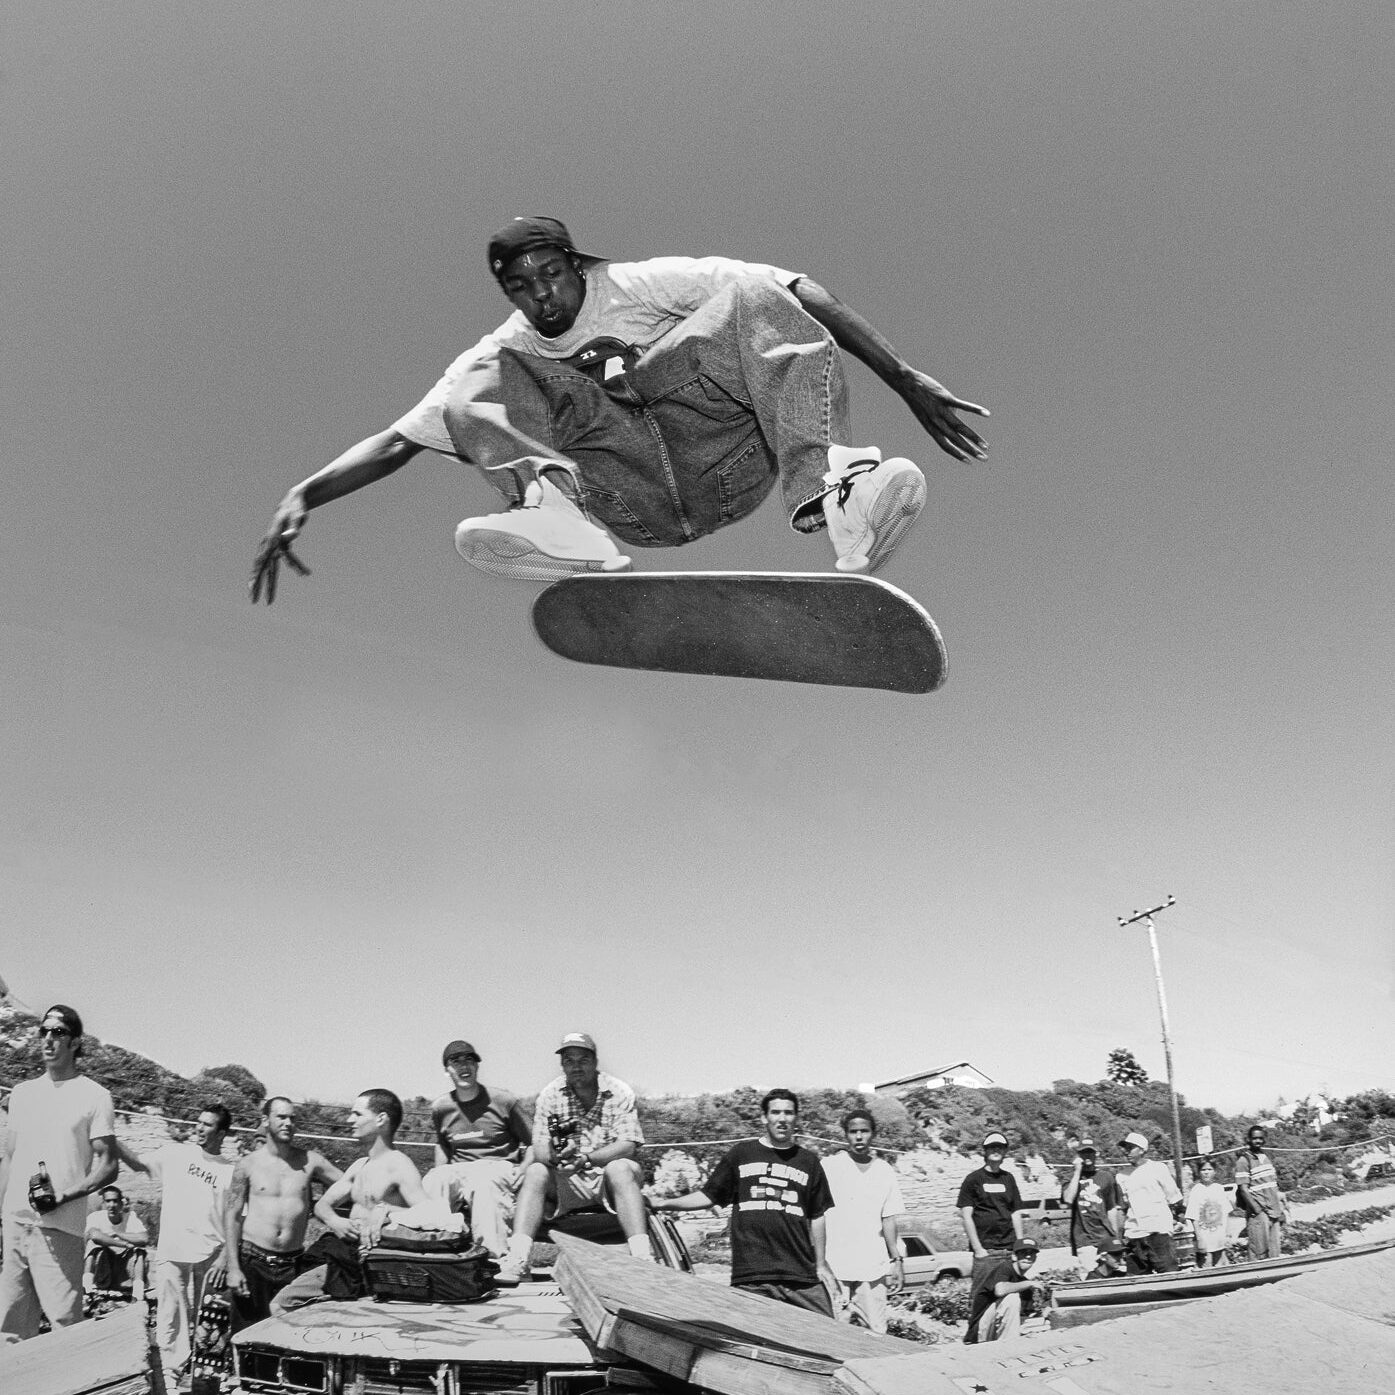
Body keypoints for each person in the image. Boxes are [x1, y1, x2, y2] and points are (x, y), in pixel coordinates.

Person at [251, 215, 989, 601]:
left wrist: (902, 378)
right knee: (474, 380)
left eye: (551, 274)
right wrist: (304, 492)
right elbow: (397, 442)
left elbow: (799, 290)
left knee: (755, 294)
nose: (541, 296)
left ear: (575, 264)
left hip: (723, 463)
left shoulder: (642, 284)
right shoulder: (510, 347)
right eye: (521, 287)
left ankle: (835, 493)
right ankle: (555, 519)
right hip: (626, 496)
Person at [652, 1088, 839, 1316]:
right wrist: (662, 1204)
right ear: (764, 1117)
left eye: (788, 1113)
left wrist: (820, 1265)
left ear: (796, 1118)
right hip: (752, 1276)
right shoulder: (741, 1154)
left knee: (827, 1331)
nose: (782, 1119)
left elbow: (817, 1216)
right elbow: (709, 1196)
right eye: (775, 1112)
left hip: (800, 1274)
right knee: (746, 1335)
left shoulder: (808, 1162)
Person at [0, 1004, 118, 1342]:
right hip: (16, 1224)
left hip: (60, 1227)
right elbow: (9, 1157)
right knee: (9, 1332)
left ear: (75, 1042)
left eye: (58, 1032)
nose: (48, 1039)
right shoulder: (22, 1094)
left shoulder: (95, 1096)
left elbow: (109, 1165)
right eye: (44, 1031)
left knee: (65, 1330)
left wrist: (64, 1196)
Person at [497, 1034, 650, 1285]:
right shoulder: (550, 1095)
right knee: (535, 1171)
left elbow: (628, 1144)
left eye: (583, 1060)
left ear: (595, 1062)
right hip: (565, 1180)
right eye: (569, 1060)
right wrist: (556, 1155)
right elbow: (539, 1147)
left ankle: (643, 1257)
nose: (576, 1066)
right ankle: (519, 1259)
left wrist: (586, 1158)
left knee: (622, 1168)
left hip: (607, 1181)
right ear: (562, 1065)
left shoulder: (619, 1091)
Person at [274, 1090, 436, 1312]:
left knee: (281, 1305)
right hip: (341, 1253)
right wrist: (336, 1221)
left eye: (358, 1114)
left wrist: (388, 1211)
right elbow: (322, 1205)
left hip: (370, 1259)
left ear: (381, 1119)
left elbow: (429, 1215)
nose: (350, 1120)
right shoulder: (359, 1166)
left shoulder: (399, 1165)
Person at [115, 1105, 234, 1384]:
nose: (199, 1128)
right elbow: (137, 1163)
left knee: (211, 1319)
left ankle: (206, 1380)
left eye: (208, 1125)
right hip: (173, 1247)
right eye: (199, 1122)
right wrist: (110, 1138)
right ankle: (170, 1374)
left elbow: (235, 1219)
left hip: (211, 1252)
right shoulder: (176, 1153)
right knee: (170, 1314)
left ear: (222, 1133)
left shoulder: (230, 1171)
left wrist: (226, 1256)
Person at [222, 1097, 342, 1326]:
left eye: (292, 1118)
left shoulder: (311, 1161)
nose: (288, 1123)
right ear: (266, 1120)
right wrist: (233, 1268)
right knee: (244, 1335)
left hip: (292, 1265)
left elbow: (349, 1185)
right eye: (281, 1117)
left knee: (287, 1334)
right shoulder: (247, 1164)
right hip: (253, 1262)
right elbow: (232, 1217)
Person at [421, 1040, 531, 1259]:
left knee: (483, 1183)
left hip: (497, 1166)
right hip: (459, 1168)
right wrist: (439, 1170)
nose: (464, 1066)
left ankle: (493, 1258)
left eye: (469, 1060)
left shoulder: (503, 1100)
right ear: (447, 1070)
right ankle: (432, 1254)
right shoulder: (441, 1107)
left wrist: (525, 1167)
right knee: (434, 1180)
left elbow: (535, 1140)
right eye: (456, 1062)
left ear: (477, 1066)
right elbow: (442, 1143)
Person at [820, 1109, 904, 1332]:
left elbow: (888, 1218)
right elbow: (816, 1214)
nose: (859, 1137)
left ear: (873, 1133)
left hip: (872, 1268)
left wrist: (897, 1260)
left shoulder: (884, 1171)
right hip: (836, 1267)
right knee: (836, 1332)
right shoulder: (829, 1166)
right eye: (853, 1131)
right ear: (846, 1134)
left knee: (876, 1332)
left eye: (864, 1131)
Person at [957, 1131, 1024, 1342]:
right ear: (984, 1152)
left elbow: (1016, 1213)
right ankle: (974, 1340)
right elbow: (966, 1215)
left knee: (1009, 1296)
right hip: (986, 1252)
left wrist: (1020, 1246)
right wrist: (978, 1249)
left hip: (1008, 1250)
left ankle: (1005, 1340)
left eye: (1000, 1147)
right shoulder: (973, 1179)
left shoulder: (1008, 1178)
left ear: (1005, 1152)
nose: (996, 1150)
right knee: (981, 1298)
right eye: (992, 1147)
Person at [1115, 1131, 1183, 1274]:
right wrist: (1120, 1235)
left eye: (1131, 1148)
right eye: (1125, 1148)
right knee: (1136, 1279)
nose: (1127, 1151)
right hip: (1134, 1233)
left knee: (1168, 1274)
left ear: (1142, 1150)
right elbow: (1123, 1208)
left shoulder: (1158, 1168)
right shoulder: (1121, 1176)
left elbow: (1174, 1197)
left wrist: (1176, 1219)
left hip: (1158, 1231)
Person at [1060, 1137, 1123, 1277]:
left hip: (1105, 1236)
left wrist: (1115, 1236)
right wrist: (1077, 1171)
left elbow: (1111, 1208)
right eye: (1083, 1153)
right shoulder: (1070, 1177)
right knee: (1090, 1277)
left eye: (1090, 1152)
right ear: (1078, 1155)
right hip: (1084, 1238)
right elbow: (1068, 1199)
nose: (1087, 1156)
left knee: (1112, 1275)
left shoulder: (1106, 1177)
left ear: (1096, 1154)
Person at [965, 1236, 1043, 1342]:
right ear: (1014, 1256)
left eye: (1032, 1253)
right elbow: (1000, 1290)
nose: (1028, 1256)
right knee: (1012, 1298)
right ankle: (1008, 1345)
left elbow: (1027, 1314)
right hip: (980, 1331)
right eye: (1024, 1253)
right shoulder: (1005, 1268)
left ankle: (1008, 1343)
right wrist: (1029, 1283)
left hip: (995, 1329)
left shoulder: (1023, 1283)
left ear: (1035, 1258)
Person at [83, 1186, 149, 1308]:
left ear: (121, 1203)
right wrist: (123, 1244)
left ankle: (138, 1296)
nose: (111, 1205)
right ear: (103, 1203)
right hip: (103, 1269)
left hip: (124, 1273)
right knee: (92, 1245)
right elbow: (95, 1236)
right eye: (108, 1201)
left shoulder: (130, 1217)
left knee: (139, 1250)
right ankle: (88, 1293)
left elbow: (144, 1238)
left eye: (115, 1201)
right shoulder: (95, 1217)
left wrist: (117, 1233)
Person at [1234, 1125, 1286, 1261]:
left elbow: (1272, 1184)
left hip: (1273, 1211)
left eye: (1261, 1138)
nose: (1258, 1141)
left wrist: (1279, 1208)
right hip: (1259, 1213)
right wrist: (1257, 1210)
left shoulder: (1265, 1157)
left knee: (1274, 1253)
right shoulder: (1244, 1160)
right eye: (1255, 1138)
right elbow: (1243, 1189)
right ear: (1249, 1139)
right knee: (1258, 1253)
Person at [1185, 1156, 1231, 1267]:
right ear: (1199, 1172)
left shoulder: (1218, 1188)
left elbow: (1226, 1213)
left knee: (1220, 1265)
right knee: (1206, 1265)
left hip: (1219, 1237)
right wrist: (1199, 1238)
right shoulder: (1196, 1190)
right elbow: (1193, 1216)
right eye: (1203, 1170)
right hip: (1204, 1237)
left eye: (1209, 1169)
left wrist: (1227, 1234)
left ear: (1214, 1171)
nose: (1206, 1172)